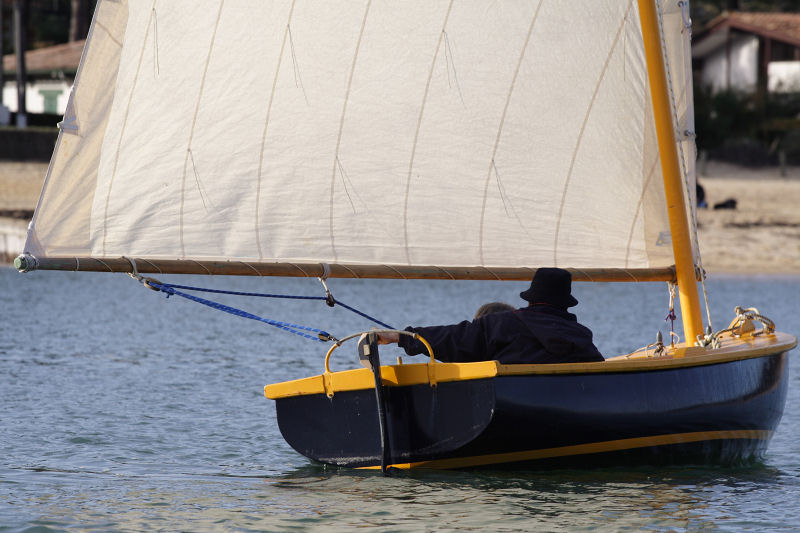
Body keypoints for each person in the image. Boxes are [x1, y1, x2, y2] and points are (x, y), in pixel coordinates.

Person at [377, 268, 603, 364]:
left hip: (508, 410)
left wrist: (402, 337)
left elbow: (456, 337)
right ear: (565, 304)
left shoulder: (503, 323)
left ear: (531, 299)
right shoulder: (582, 337)